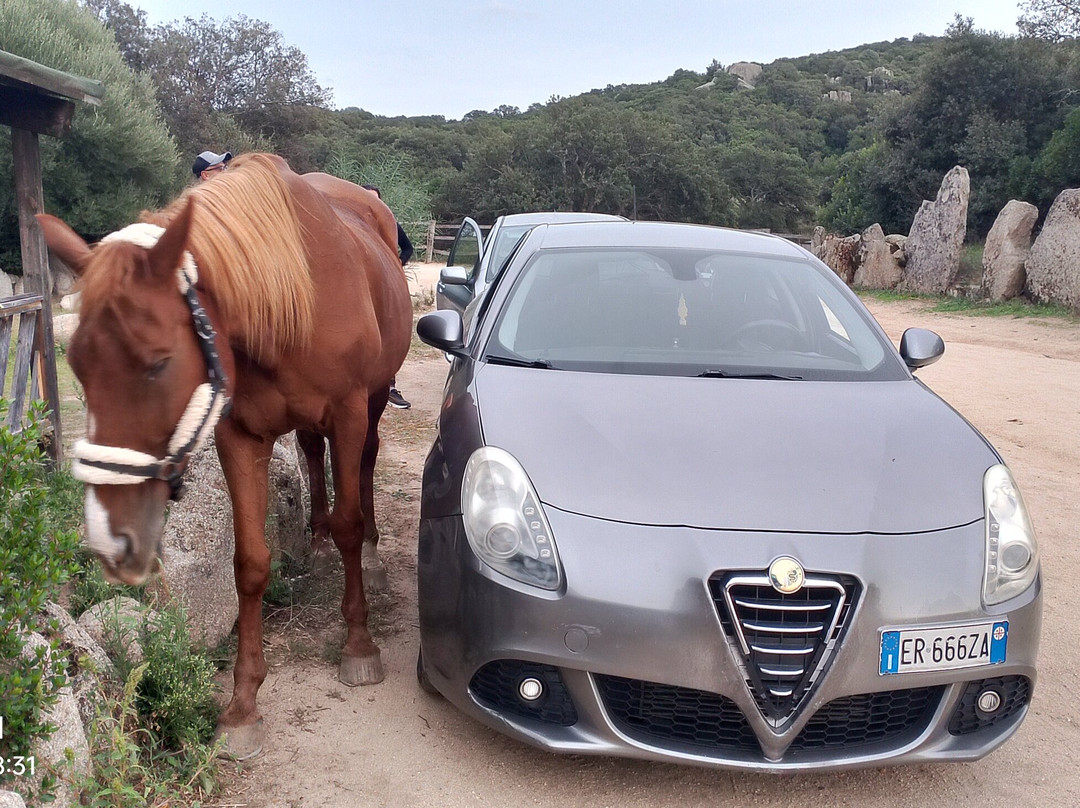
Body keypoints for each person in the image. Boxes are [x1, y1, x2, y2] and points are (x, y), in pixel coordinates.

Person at [361, 184, 413, 410]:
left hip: (385, 284)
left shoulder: (387, 224)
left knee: (389, 329)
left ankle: (389, 386)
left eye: (376, 200)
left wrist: (397, 265)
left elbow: (408, 248)